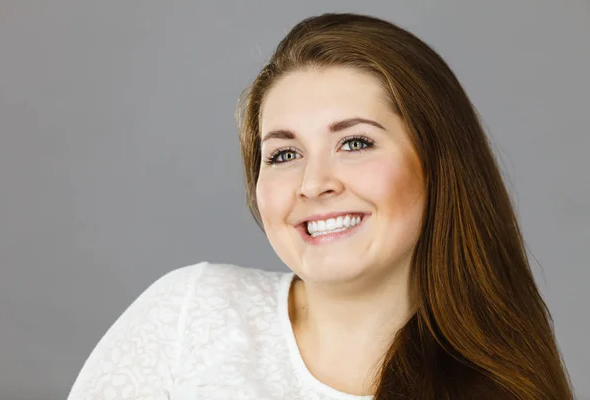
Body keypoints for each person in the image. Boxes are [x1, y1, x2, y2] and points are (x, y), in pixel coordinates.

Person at [66, 13, 575, 400]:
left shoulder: (509, 385)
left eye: (354, 143)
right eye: (284, 154)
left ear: (440, 164)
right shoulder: (187, 317)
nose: (313, 183)